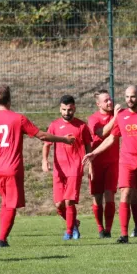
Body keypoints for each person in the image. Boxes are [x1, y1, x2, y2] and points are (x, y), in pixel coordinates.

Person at [0, 86, 75, 247]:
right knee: (10, 205)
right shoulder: (18, 119)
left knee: (5, 202)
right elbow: (41, 135)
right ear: (9, 100)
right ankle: (2, 239)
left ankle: (2, 237)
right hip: (13, 168)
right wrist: (63, 139)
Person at [83, 85, 137, 243]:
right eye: (127, 97)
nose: (129, 100)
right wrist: (94, 153)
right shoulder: (121, 116)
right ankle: (124, 234)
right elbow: (111, 138)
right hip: (126, 162)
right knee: (125, 194)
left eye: (132, 96)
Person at [43, 95, 92, 240]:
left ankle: (69, 232)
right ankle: (74, 223)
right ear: (60, 109)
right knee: (59, 205)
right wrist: (44, 160)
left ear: (74, 108)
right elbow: (46, 144)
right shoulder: (54, 125)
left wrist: (90, 163)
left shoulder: (82, 126)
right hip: (59, 169)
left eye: (69, 110)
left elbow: (88, 145)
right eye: (64, 110)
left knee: (69, 201)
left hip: (75, 168)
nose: (66, 113)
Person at [87, 90, 120, 238]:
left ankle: (108, 229)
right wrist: (116, 118)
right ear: (98, 103)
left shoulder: (117, 114)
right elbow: (101, 133)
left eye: (110, 99)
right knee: (97, 197)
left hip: (112, 162)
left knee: (109, 196)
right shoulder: (93, 119)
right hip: (96, 162)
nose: (109, 102)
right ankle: (100, 227)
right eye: (105, 100)